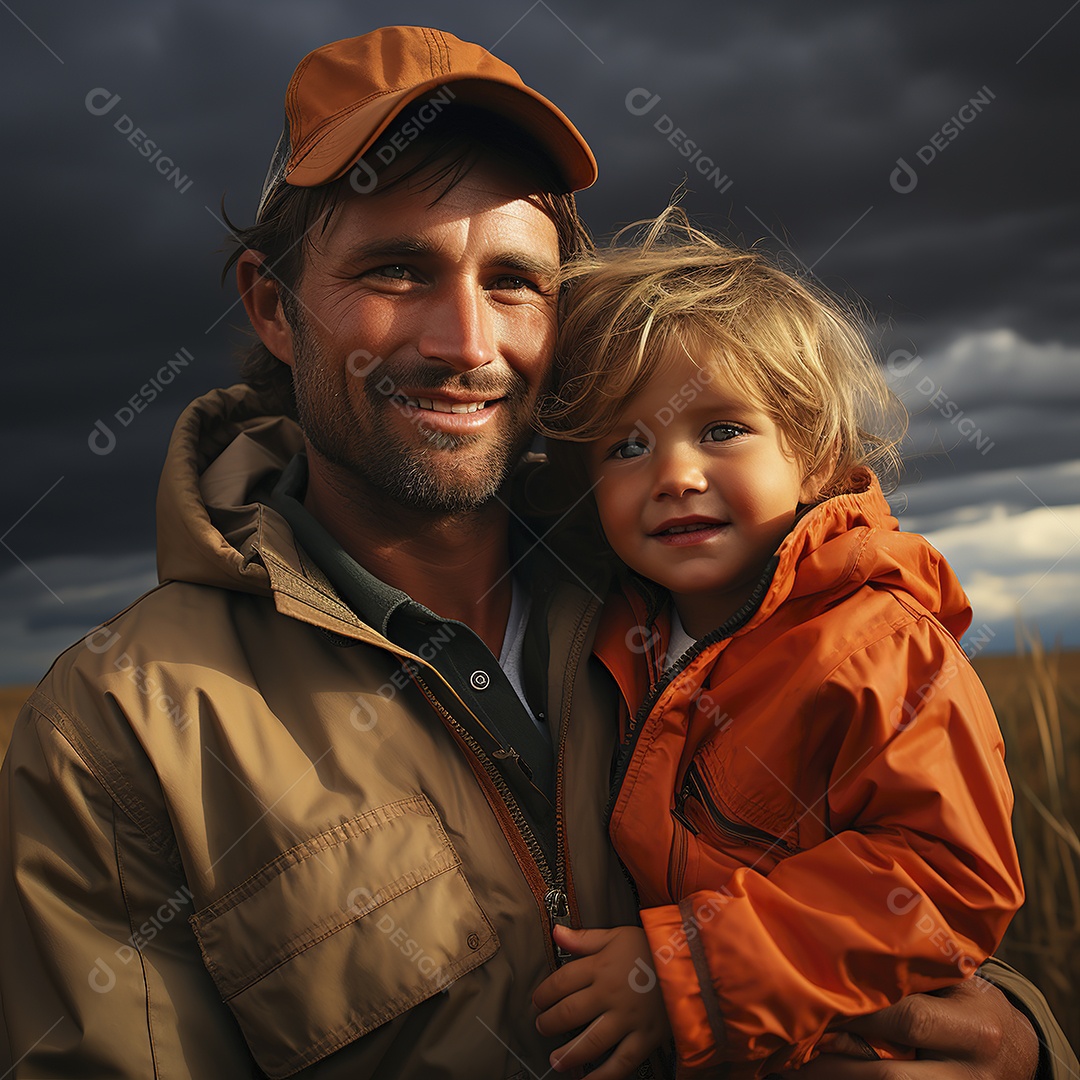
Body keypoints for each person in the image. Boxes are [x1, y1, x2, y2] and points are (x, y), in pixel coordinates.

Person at [0, 25, 1071, 1080]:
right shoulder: (125, 732)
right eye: (396, 269)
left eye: (513, 281)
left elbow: (919, 898)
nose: (467, 344)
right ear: (274, 306)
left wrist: (1022, 1045)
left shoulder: (704, 590)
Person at [530, 210, 1032, 1076]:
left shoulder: (878, 646)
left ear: (813, 453)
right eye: (627, 445)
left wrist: (679, 972)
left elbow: (947, 877)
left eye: (722, 429)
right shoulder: (619, 630)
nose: (675, 474)